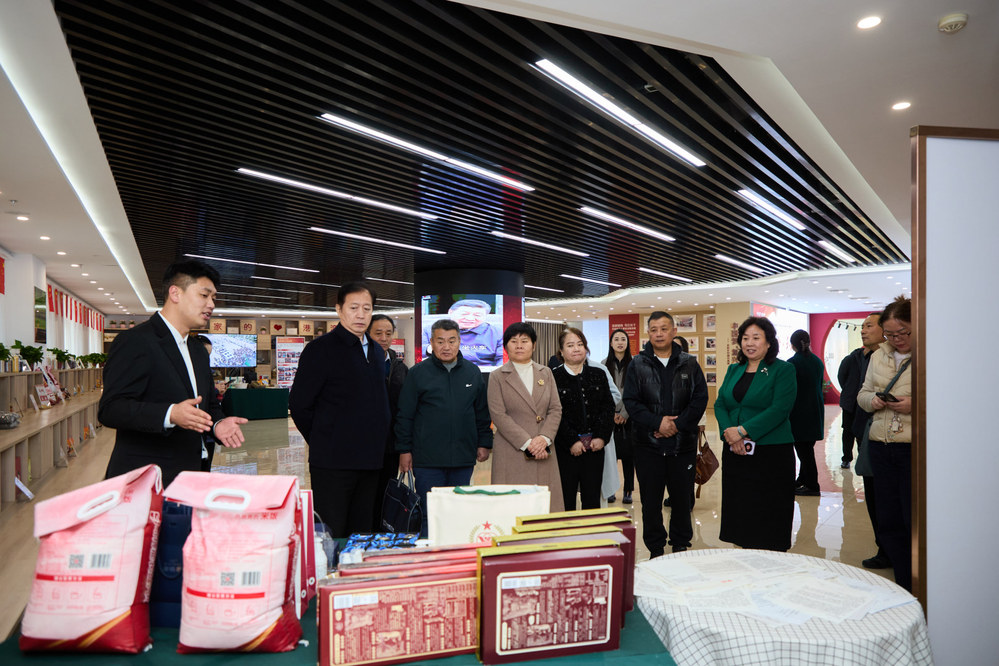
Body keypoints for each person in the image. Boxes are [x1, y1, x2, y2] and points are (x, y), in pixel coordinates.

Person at [100, 260, 247, 487]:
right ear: (175, 293)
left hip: (192, 474)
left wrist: (218, 424)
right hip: (148, 481)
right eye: (204, 295)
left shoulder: (198, 350)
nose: (211, 304)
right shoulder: (135, 341)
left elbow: (207, 406)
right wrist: (170, 414)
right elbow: (111, 409)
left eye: (213, 298)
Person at [289, 282, 390, 538]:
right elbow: (300, 405)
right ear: (339, 309)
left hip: (370, 461)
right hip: (333, 463)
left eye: (367, 308)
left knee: (362, 531)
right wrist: (324, 438)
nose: (361, 314)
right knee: (331, 532)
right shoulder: (320, 350)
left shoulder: (376, 351)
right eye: (353, 308)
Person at [396, 319, 493, 536]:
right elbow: (405, 415)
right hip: (427, 459)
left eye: (451, 341)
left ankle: (456, 552)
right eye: (440, 341)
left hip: (463, 457)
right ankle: (430, 553)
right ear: (431, 342)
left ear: (459, 342)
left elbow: (481, 412)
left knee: (459, 510)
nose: (446, 347)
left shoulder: (472, 372)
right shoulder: (418, 373)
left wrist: (484, 443)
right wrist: (404, 449)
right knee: (430, 513)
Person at [622, 313, 708, 557]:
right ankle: (655, 547)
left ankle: (680, 542)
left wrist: (676, 425)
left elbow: (700, 399)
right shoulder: (637, 364)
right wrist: (658, 423)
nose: (658, 334)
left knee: (682, 499)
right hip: (647, 445)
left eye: (663, 328)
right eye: (653, 329)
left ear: (673, 332)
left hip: (683, 445)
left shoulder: (689, 363)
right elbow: (631, 401)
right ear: (648, 333)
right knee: (650, 501)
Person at [714, 316, 797, 551]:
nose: (749, 343)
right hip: (736, 451)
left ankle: (772, 556)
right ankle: (744, 553)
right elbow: (720, 404)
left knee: (769, 510)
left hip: (771, 452)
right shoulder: (734, 369)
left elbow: (780, 409)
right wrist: (730, 434)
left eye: (756, 338)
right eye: (745, 338)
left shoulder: (783, 369)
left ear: (769, 342)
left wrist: (742, 431)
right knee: (740, 507)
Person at [857, 296, 914, 590]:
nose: (897, 339)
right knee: (888, 517)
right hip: (881, 444)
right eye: (890, 334)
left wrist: (915, 404)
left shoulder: (932, 353)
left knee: (911, 517)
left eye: (903, 332)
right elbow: (863, 394)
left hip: (912, 447)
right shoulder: (878, 355)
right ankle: (902, 580)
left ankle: (920, 581)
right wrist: (874, 400)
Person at [488, 322, 564, 511]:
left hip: (543, 449)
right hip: (512, 451)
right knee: (512, 509)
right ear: (506, 346)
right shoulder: (497, 376)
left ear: (534, 345)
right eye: (514, 341)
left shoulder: (546, 373)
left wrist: (544, 438)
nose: (519, 345)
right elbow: (498, 415)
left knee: (544, 510)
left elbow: (555, 409)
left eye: (524, 341)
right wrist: (528, 443)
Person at [552, 328, 614, 511]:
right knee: (566, 500)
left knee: (592, 500)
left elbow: (608, 408)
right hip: (565, 450)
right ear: (561, 351)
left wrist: (601, 437)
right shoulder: (553, 377)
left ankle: (591, 530)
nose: (576, 349)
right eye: (570, 345)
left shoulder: (598, 374)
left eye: (580, 344)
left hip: (595, 448)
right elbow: (554, 413)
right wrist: (572, 441)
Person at [851, 313, 891, 570]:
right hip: (867, 430)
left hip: (893, 435)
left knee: (888, 496)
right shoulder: (866, 357)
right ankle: (883, 547)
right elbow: (860, 392)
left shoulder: (900, 358)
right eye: (862, 326)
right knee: (873, 491)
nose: (863, 330)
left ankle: (891, 548)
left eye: (869, 326)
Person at [368, 314, 409, 530]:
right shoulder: (359, 363)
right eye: (378, 333)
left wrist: (404, 446)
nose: (384, 338)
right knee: (366, 498)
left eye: (388, 333)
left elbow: (405, 409)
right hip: (363, 445)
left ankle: (383, 535)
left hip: (391, 446)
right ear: (367, 334)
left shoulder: (399, 367)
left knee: (386, 494)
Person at [788, 329, 826, 496]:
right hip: (815, 410)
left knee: (804, 452)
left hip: (799, 413)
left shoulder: (792, 363)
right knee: (807, 448)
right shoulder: (817, 361)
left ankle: (812, 485)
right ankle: (802, 479)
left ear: (792, 345)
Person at [423, 298, 503, 367]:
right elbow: (419, 351)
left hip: (482, 371)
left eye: (477, 315)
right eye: (464, 314)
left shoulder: (497, 332)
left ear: (485, 316)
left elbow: (503, 358)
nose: (470, 318)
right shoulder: (431, 329)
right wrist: (430, 349)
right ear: (450, 312)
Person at [604, 329, 634, 504]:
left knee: (629, 456)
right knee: (610, 456)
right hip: (609, 417)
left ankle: (628, 490)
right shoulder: (603, 364)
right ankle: (610, 489)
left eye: (623, 339)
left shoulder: (635, 364)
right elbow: (603, 393)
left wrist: (624, 413)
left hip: (630, 417)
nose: (620, 342)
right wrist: (613, 413)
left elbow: (637, 392)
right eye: (616, 339)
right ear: (611, 343)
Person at [838, 333, 864, 469]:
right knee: (849, 431)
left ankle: (855, 458)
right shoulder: (850, 359)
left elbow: (841, 377)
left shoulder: (850, 359)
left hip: (860, 402)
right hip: (850, 402)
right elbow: (841, 377)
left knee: (855, 432)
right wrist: (849, 390)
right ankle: (848, 458)